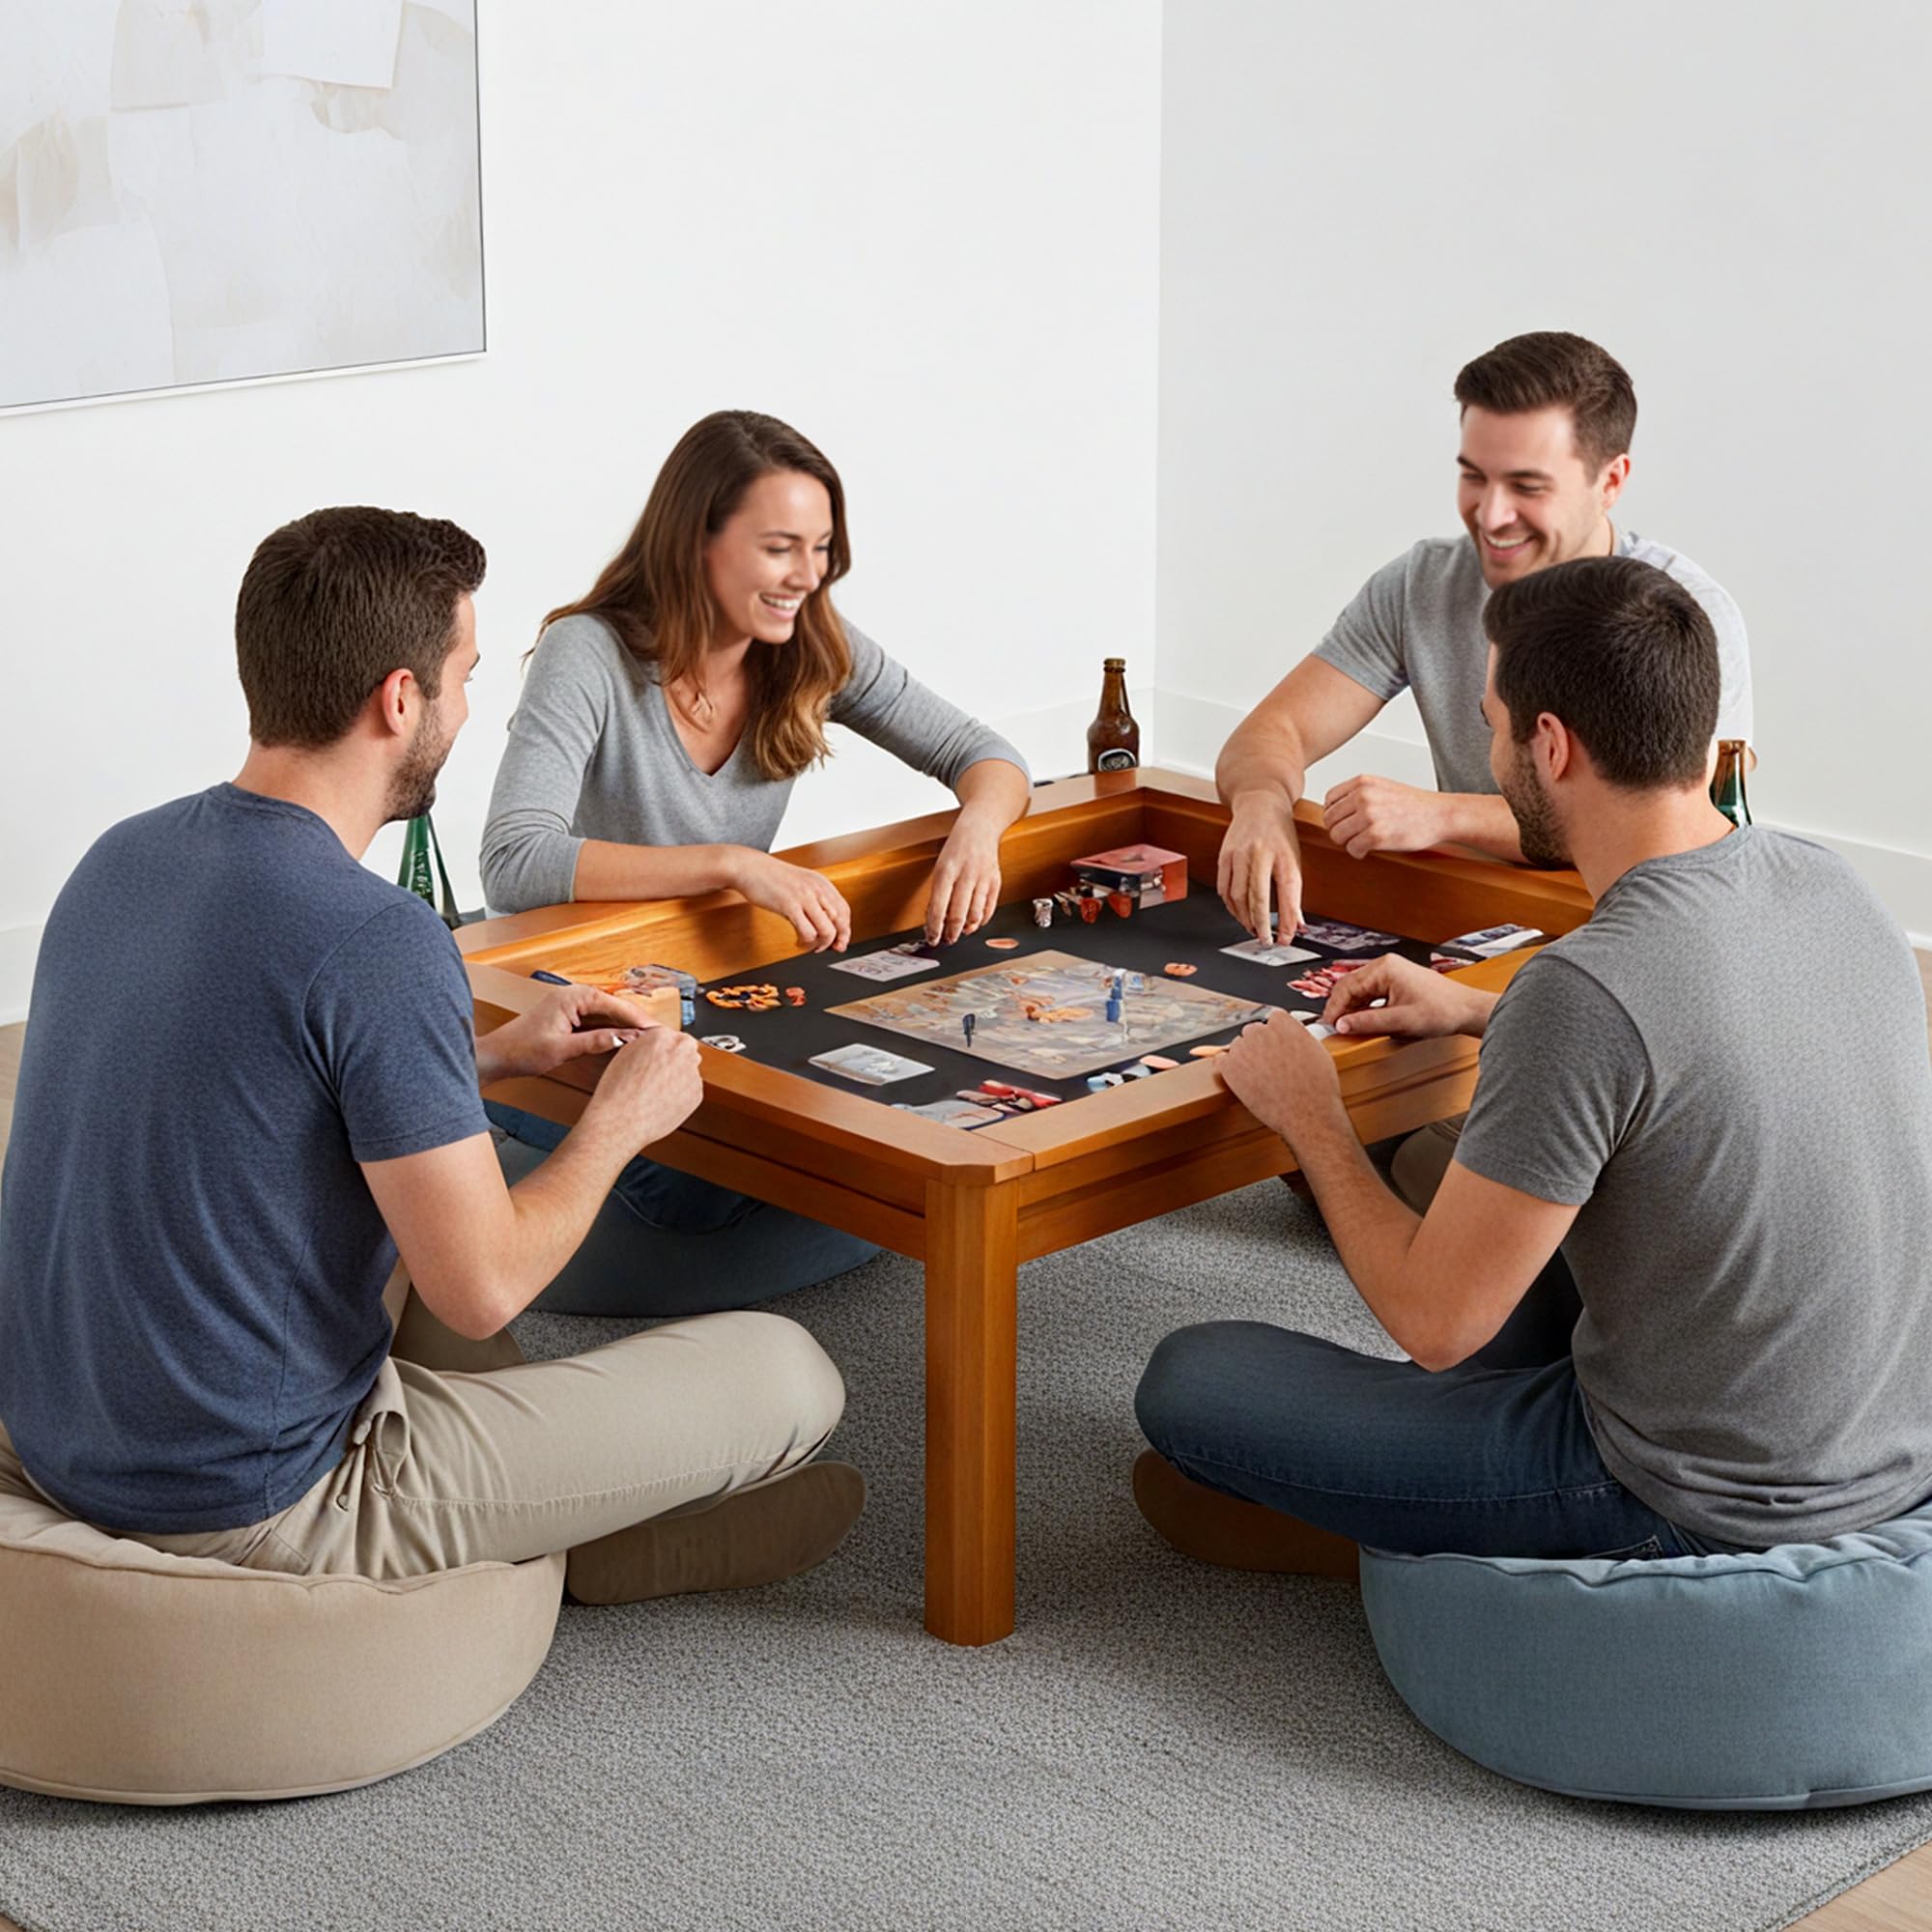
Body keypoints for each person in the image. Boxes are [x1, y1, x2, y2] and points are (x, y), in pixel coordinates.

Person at [0, 507, 863, 1607]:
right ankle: (573, 1547)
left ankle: (564, 1523)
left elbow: (255, 1067)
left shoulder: (121, 857)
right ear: (397, 699)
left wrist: (493, 1056)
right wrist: (620, 1120)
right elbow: (483, 1285)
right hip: (255, 1496)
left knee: (418, 1237)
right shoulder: (375, 932)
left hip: (63, 1431)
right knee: (788, 1371)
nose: (466, 706)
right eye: (459, 675)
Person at [1134, 555, 1932, 1577]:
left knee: (1189, 1380)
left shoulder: (1586, 988)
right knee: (1514, 1250)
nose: (1488, 747)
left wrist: (1313, 1116)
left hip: (1687, 1490)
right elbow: (1692, 1047)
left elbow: (1432, 1322)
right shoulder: (1828, 883)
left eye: (1491, 723)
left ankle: (1430, 1547)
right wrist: (1477, 1008)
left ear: (1548, 744)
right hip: (1879, 1443)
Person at [478, 410, 1032, 1318]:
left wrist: (977, 826)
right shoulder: (591, 652)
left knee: (818, 1132)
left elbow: (987, 754)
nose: (807, 576)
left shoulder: (809, 640)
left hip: (715, 981)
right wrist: (732, 863)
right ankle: (503, 1149)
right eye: (782, 548)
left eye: (820, 549)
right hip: (577, 999)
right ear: (699, 539)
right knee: (695, 1187)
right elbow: (514, 859)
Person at [1212, 331, 1753, 945]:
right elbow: (1271, 734)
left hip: (1630, 935)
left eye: (1527, 486)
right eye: (1475, 477)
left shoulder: (1685, 612)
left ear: (1611, 481)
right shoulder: (1422, 583)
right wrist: (1262, 805)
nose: (1491, 515)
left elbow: (1677, 820)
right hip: (1471, 920)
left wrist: (1443, 816)